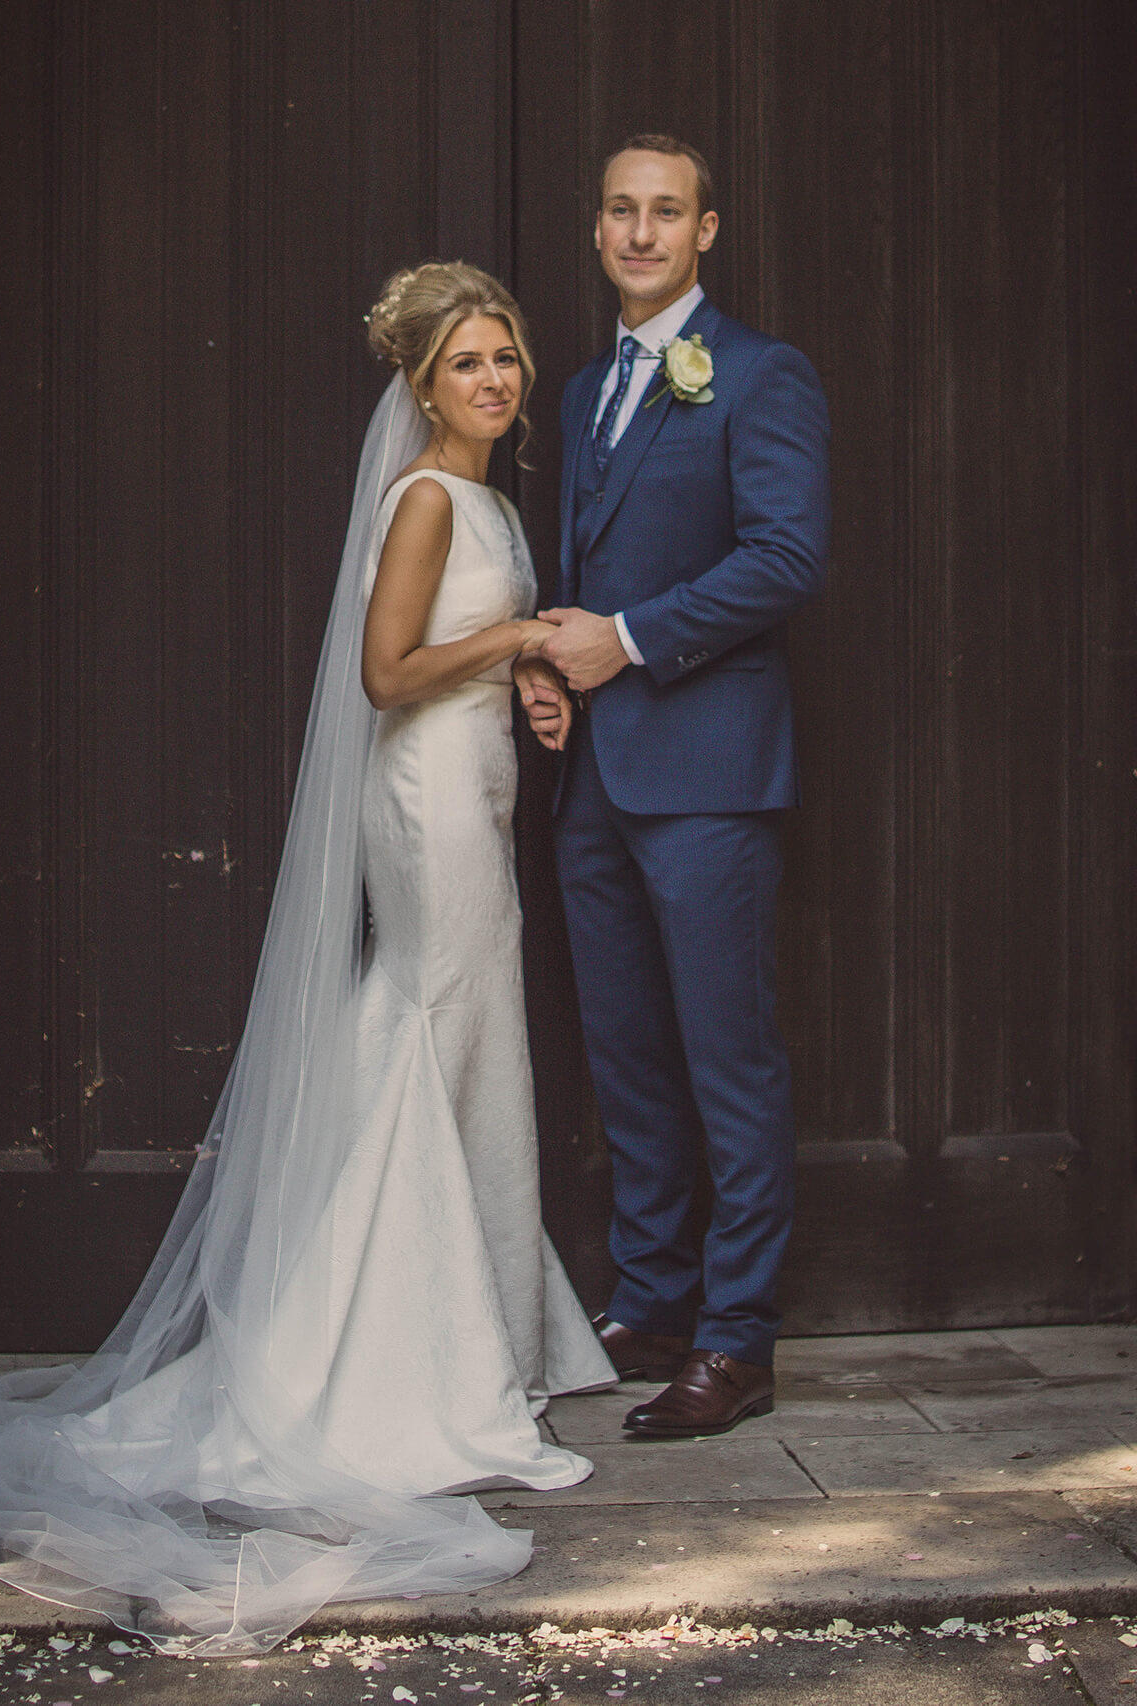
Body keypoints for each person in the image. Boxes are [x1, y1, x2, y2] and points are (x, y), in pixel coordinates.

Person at [0, 262, 614, 1654]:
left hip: (480, 780)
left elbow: (454, 651)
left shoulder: (495, 501)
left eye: (507, 358)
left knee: (461, 1030)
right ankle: (381, 1356)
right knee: (433, 1018)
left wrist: (526, 682)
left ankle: (474, 1331)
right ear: (421, 384)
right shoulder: (427, 498)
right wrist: (518, 637)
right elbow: (388, 672)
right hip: (428, 800)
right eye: (467, 363)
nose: (497, 381)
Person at [516, 135, 831, 1439]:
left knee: (727, 1058)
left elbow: (787, 556)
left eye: (666, 212)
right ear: (597, 230)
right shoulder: (584, 388)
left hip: (708, 775)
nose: (640, 233)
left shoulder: (758, 372)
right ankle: (650, 1300)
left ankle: (737, 1337)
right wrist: (549, 663)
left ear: (707, 231)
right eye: (620, 211)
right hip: (593, 776)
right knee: (629, 1055)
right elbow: (586, 570)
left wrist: (629, 640)